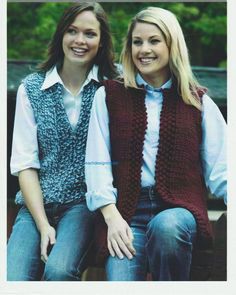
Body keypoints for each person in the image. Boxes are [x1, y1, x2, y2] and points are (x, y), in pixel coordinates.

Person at [85, 6, 227, 281]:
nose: (143, 49)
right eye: (137, 42)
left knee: (166, 225)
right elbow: (97, 162)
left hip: (179, 212)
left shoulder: (197, 102)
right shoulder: (109, 96)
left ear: (172, 45)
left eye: (154, 41)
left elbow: (223, 168)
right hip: (126, 214)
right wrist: (112, 218)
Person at [7, 2, 117, 281]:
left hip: (84, 206)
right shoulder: (31, 88)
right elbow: (25, 164)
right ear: (60, 36)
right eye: (72, 31)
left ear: (102, 41)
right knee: (12, 276)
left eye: (90, 34)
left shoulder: (113, 86)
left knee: (58, 271)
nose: (80, 41)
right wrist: (43, 224)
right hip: (36, 204)